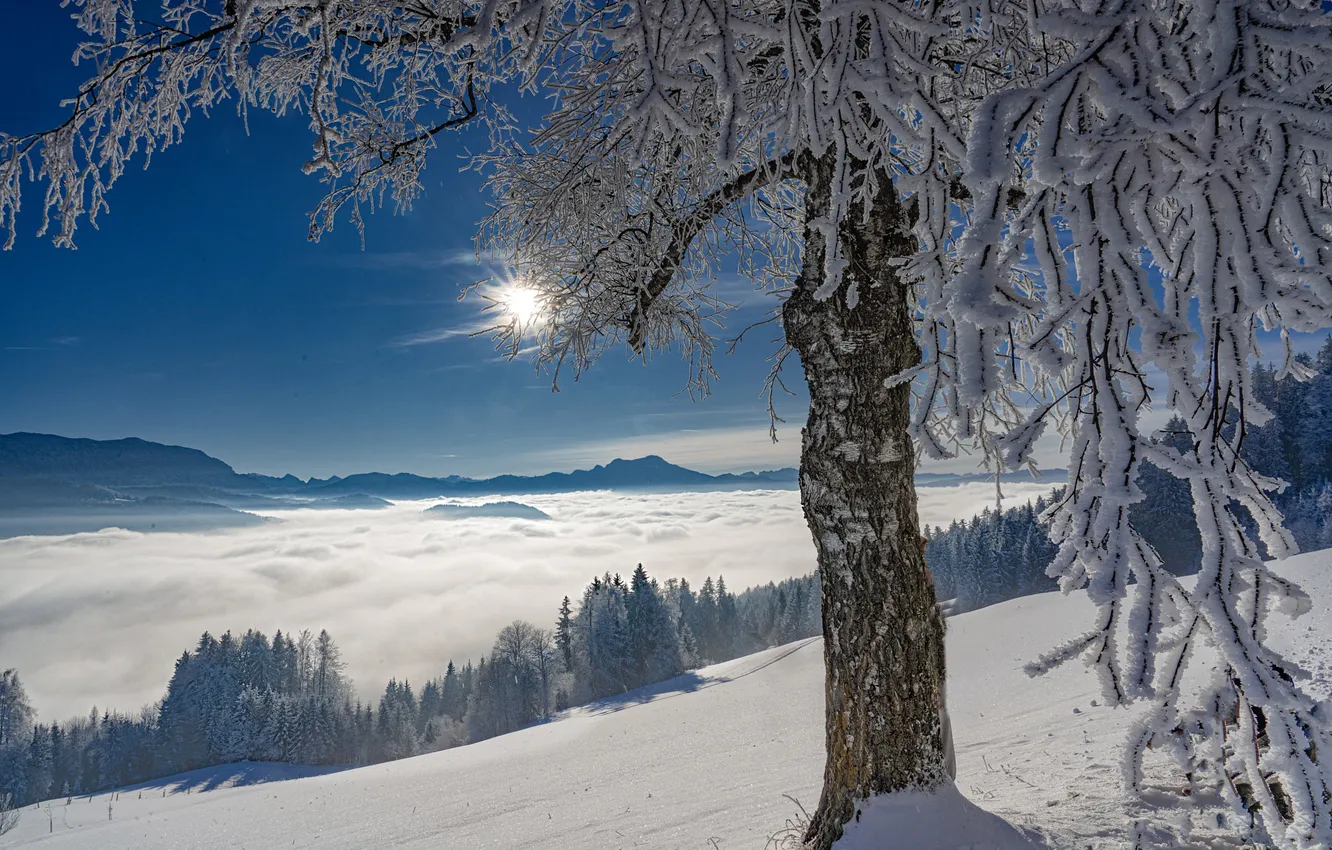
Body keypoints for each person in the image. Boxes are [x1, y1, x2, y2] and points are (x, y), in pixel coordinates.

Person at [922, 534, 957, 780]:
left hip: (933, 664)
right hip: (928, 666)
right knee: (939, 716)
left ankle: (946, 781)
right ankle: (945, 780)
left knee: (940, 716)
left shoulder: (922, 580)